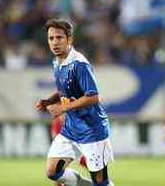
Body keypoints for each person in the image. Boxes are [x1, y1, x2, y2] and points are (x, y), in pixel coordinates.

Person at [35, 19, 114, 186]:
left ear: (69, 40)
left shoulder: (79, 63)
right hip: (71, 129)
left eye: (59, 37)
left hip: (92, 130)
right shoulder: (57, 62)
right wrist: (49, 101)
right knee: (52, 172)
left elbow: (93, 96)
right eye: (51, 38)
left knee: (100, 182)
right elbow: (65, 89)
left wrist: (64, 108)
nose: (54, 42)